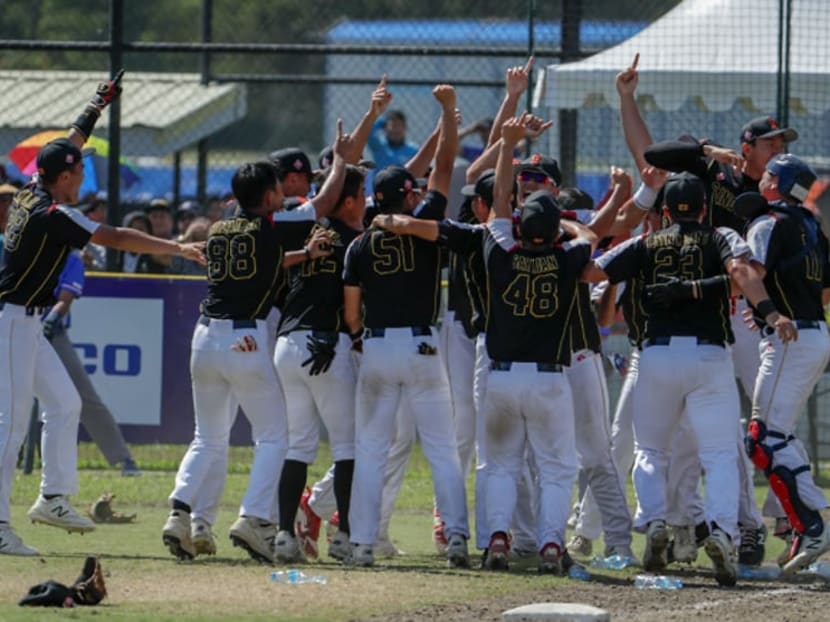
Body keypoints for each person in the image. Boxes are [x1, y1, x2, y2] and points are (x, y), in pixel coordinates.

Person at [0, 71, 205, 556]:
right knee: (10, 425)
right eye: (78, 170)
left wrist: (97, 103)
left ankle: (52, 497)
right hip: (10, 321)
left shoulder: (33, 187)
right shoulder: (53, 213)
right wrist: (176, 244)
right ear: (64, 177)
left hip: (26, 323)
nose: (82, 174)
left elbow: (71, 140)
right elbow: (115, 236)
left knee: (65, 404)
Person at [582, 172, 793, 586]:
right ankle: (721, 532)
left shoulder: (645, 242)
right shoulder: (720, 236)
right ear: (703, 207)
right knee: (717, 455)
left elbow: (592, 272)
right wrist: (771, 312)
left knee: (650, 451)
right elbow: (742, 273)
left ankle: (656, 521)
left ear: (663, 211)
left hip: (656, 355)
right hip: (709, 354)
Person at [161, 121, 352, 563]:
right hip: (245, 338)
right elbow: (322, 204)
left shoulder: (220, 228)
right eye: (276, 190)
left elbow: (267, 259)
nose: (281, 196)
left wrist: (306, 255)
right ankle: (252, 518)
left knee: (206, 438)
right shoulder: (273, 225)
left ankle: (179, 512)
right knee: (275, 438)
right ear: (268, 196)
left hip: (204, 337)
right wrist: (340, 159)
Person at [343, 84, 470, 569]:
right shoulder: (426, 224)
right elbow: (444, 163)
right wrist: (447, 115)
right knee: (441, 449)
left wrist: (359, 340)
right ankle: (456, 537)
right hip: (422, 347)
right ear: (408, 196)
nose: (421, 191)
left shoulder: (360, 243)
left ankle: (362, 542)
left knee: (372, 449)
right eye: (413, 191)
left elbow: (351, 311)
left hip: (375, 348)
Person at [272, 164, 367, 563]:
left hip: (286, 343)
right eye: (361, 196)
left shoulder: (302, 229)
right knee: (347, 447)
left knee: (298, 447)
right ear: (347, 201)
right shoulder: (354, 241)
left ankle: (283, 536)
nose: (366, 203)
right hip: (327, 343)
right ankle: (344, 535)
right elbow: (351, 309)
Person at [742, 153, 830, 574]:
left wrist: (770, 311)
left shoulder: (768, 222)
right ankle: (807, 525)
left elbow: (748, 271)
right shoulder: (812, 226)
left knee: (762, 438)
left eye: (770, 174)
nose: (764, 178)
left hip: (789, 338)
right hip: (814, 334)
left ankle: (814, 522)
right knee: (780, 435)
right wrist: (769, 307)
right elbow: (824, 292)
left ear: (777, 183)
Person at [40, 251, 142, 476]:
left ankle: (123, 458)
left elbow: (65, 298)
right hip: (14, 329)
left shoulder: (71, 257)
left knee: (82, 396)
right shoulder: (24, 244)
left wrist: (51, 319)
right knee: (11, 401)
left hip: (51, 335)